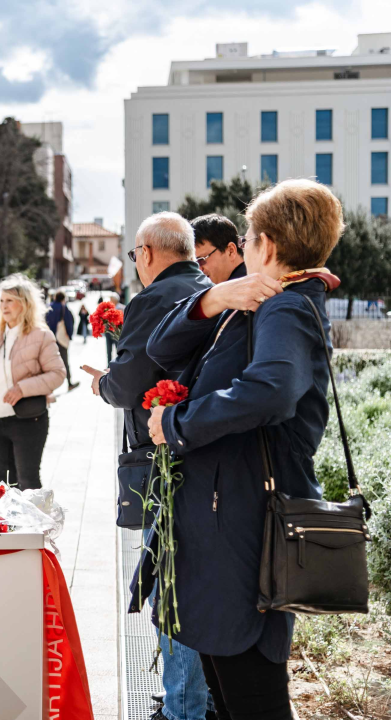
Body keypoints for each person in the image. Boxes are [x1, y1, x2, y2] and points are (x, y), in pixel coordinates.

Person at [145, 180, 345, 720]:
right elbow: (159, 348)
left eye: (250, 236)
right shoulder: (259, 302)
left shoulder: (287, 306)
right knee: (232, 695)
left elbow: (271, 391)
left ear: (268, 246)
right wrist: (215, 297)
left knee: (252, 700)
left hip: (243, 534)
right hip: (229, 527)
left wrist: (177, 423)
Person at [80, 212, 213, 720]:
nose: (136, 262)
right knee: (194, 583)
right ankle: (194, 699)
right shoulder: (207, 289)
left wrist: (102, 382)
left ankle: (183, 708)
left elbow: (128, 384)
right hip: (208, 456)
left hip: (166, 459)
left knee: (170, 587)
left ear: (149, 253)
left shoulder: (155, 298)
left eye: (135, 254)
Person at [0, 274, 66, 490]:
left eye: (10, 301)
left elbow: (58, 374)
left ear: (25, 304)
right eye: (2, 301)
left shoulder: (41, 335)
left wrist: (22, 388)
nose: (4, 306)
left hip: (29, 419)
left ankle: (37, 515)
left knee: (28, 482)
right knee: (4, 485)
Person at [192, 214, 247, 285]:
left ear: (231, 251)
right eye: (194, 263)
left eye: (201, 260)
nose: (199, 269)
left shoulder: (249, 287)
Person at [45, 291, 80, 392]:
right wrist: (69, 335)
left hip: (49, 339)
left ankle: (48, 387)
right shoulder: (63, 307)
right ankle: (69, 383)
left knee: (50, 363)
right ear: (63, 299)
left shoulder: (48, 307)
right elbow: (69, 322)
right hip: (60, 339)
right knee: (65, 361)